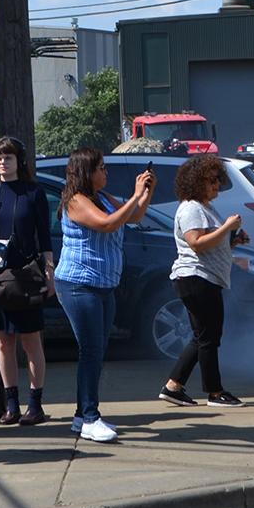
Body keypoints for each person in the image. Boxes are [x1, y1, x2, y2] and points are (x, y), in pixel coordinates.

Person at [54, 148, 152, 443]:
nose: (105, 172)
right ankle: (89, 418)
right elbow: (106, 224)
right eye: (101, 168)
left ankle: (81, 415)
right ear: (87, 172)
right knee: (91, 352)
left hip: (103, 285)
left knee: (96, 351)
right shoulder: (76, 201)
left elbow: (131, 218)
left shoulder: (103, 198)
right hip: (78, 284)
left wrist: (144, 194)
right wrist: (135, 195)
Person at [0, 136, 55, 426]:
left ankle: (35, 405)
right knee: (3, 341)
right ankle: (11, 404)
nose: (2, 162)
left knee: (31, 341)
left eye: (7, 157)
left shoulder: (33, 193)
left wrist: (50, 273)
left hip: (26, 274)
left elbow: (44, 236)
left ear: (19, 161)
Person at [158, 155, 245, 409]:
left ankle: (173, 386)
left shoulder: (204, 206)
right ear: (196, 182)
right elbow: (196, 243)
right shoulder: (191, 208)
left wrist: (233, 240)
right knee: (208, 337)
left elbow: (209, 243)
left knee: (203, 336)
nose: (216, 185)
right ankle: (215, 392)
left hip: (203, 278)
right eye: (210, 181)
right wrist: (227, 227)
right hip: (196, 277)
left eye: (217, 180)